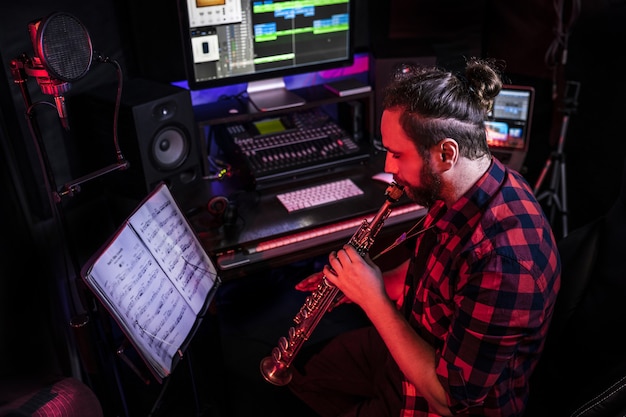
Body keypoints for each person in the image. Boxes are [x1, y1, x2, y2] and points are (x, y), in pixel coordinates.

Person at [287, 58, 562, 417]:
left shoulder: (504, 262)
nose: (388, 168)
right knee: (304, 380)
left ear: (446, 153)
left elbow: (450, 400)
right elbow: (428, 275)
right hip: (412, 342)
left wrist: (373, 300)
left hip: (435, 395)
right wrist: (363, 285)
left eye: (397, 154)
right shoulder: (463, 187)